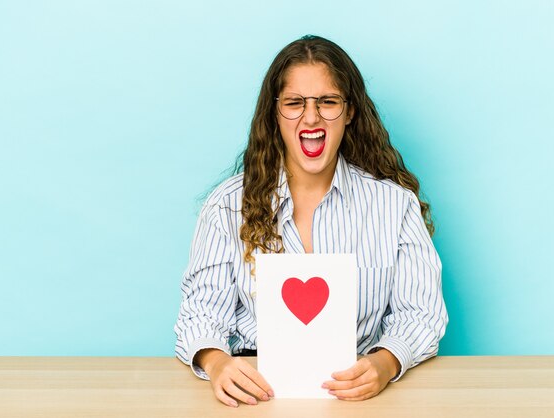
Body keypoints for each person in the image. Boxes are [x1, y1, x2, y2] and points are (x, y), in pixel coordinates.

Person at [174, 34, 448, 408]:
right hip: (254, 393)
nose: (311, 117)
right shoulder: (226, 206)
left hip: (358, 394)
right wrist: (218, 362)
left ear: (349, 112)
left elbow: (421, 313)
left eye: (327, 102)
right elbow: (200, 312)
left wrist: (385, 363)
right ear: (275, 113)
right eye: (294, 103)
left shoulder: (395, 205)